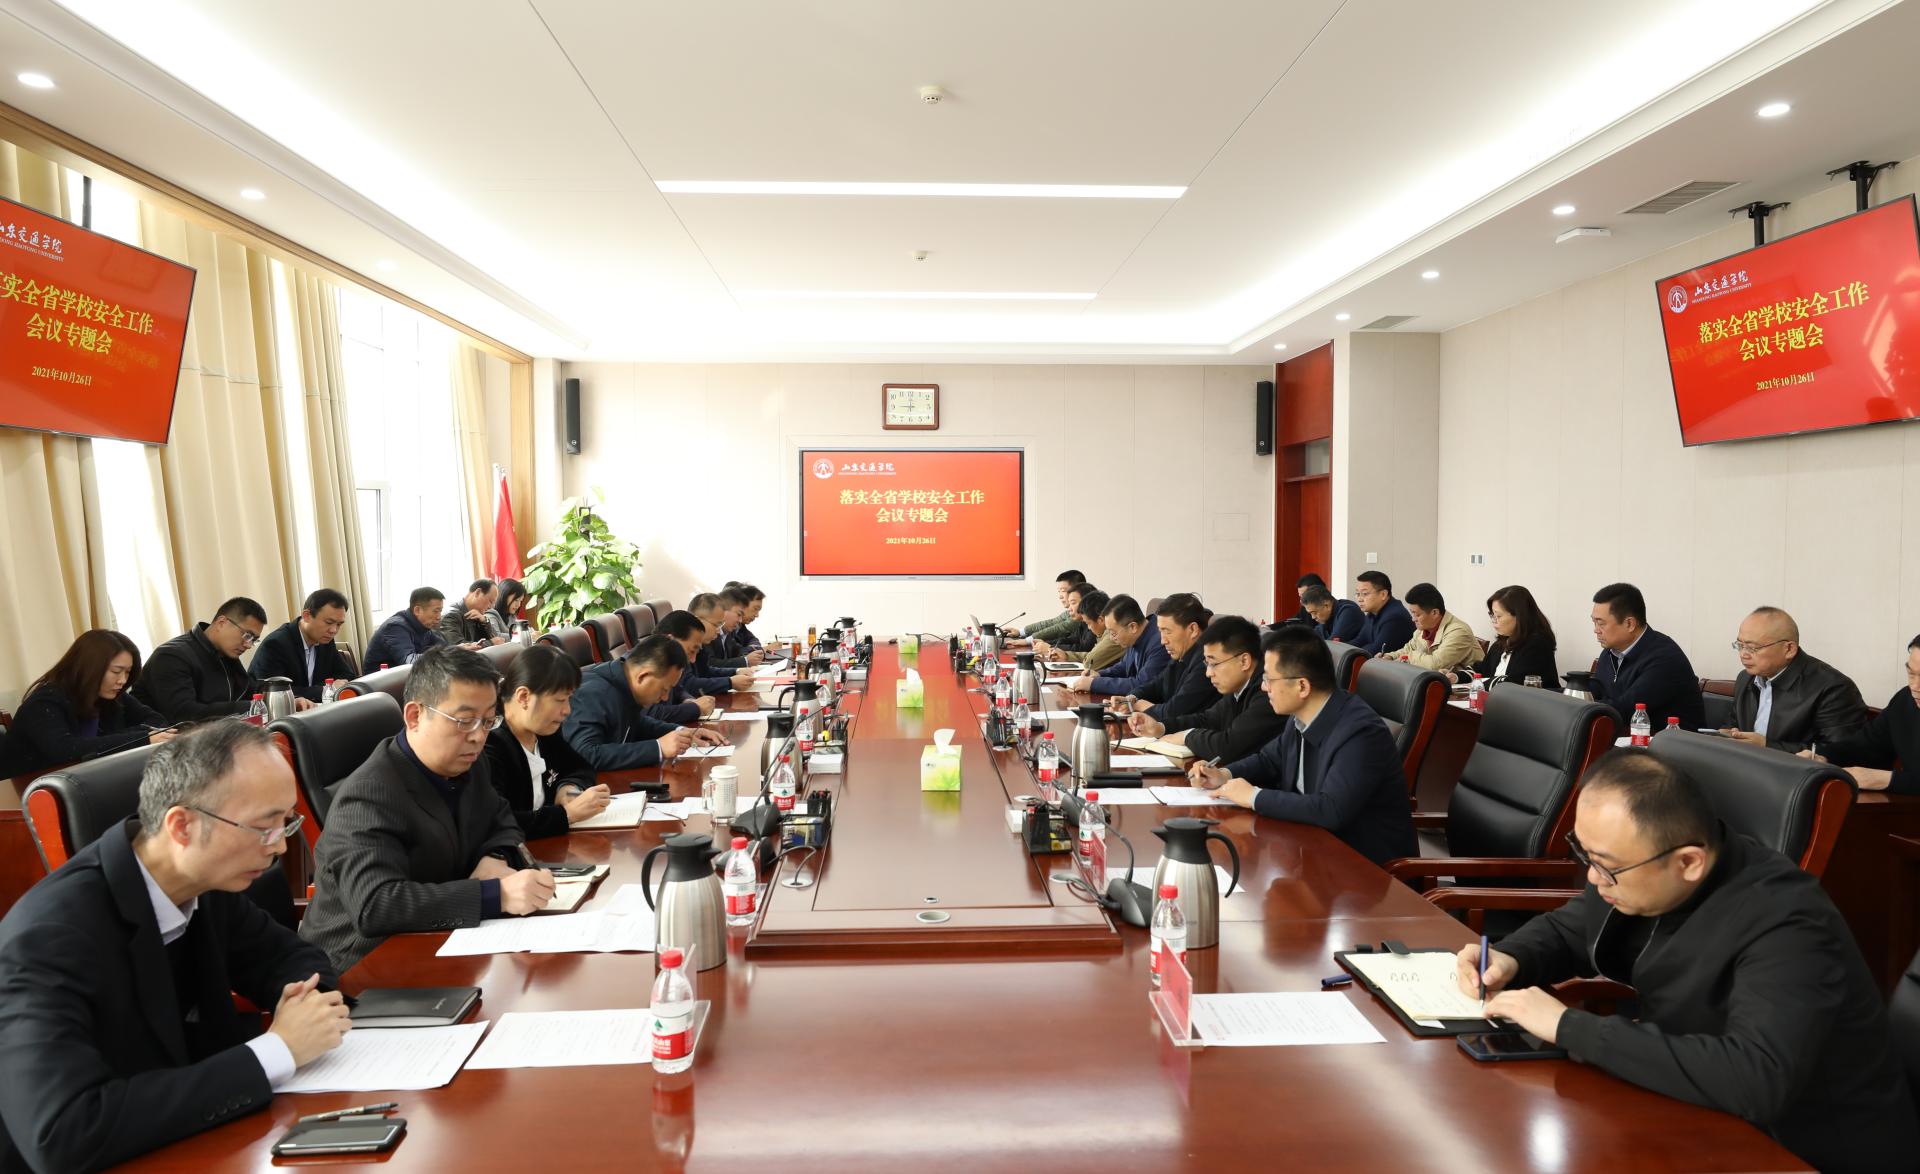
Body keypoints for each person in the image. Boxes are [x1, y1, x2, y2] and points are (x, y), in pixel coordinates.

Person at [1456, 750, 1918, 1173]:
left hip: (1807, 1151)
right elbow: (1571, 929)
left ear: (1689, 862)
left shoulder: (1788, 921)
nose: (1594, 879)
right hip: (1700, 1114)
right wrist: (1510, 957)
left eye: (1606, 865)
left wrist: (1568, 1026)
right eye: (1585, 855)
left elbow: (1756, 1079)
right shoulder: (1644, 871)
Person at [0, 722, 350, 1173]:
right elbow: (63, 1132)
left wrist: (307, 1006)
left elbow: (290, 957)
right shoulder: (49, 938)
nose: (281, 846)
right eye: (264, 827)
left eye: (286, 822)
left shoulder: (203, 882)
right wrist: (279, 1049)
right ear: (182, 826)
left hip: (198, 1141)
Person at [300, 646, 555, 973]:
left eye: (488, 721)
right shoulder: (369, 794)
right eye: (465, 721)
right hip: (362, 967)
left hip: (444, 942)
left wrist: (495, 856)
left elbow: (501, 818)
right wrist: (495, 895)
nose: (479, 737)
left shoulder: (469, 763)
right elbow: (376, 905)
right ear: (415, 716)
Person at [1186, 626, 1415, 866]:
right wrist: (1224, 774)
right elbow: (1268, 760)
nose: (1263, 687)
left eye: (1268, 679)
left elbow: (1331, 810)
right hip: (1309, 849)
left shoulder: (1361, 733)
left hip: (1364, 869)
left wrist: (1254, 796)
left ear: (1302, 686)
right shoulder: (1302, 716)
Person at [0, 630, 175, 780]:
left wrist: (127, 738)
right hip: (32, 788)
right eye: (116, 671)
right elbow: (66, 750)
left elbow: (157, 721)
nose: (122, 680)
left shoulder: (110, 694)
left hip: (84, 779)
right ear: (89, 667)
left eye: (127, 672)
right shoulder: (44, 702)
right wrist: (142, 738)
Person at [481, 644, 612, 839]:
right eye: (560, 700)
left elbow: (580, 767)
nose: (567, 710)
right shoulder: (489, 744)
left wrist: (568, 788)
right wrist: (567, 815)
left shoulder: (542, 729)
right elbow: (496, 822)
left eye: (568, 699)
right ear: (524, 696)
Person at [1127, 616, 1285, 763]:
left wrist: (1187, 736)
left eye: (1214, 664)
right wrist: (1160, 727)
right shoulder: (1238, 686)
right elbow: (1208, 720)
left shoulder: (1269, 692)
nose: (1208, 673)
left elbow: (1228, 747)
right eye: (1207, 664)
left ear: (1244, 661)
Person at [560, 635, 723, 771]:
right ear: (643, 676)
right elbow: (586, 754)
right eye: (664, 689)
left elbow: (637, 723)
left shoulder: (622, 682)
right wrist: (658, 747)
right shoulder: (592, 693)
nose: (665, 697)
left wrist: (682, 733)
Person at [1719, 607, 1869, 752]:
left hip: (1793, 770)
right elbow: (1733, 725)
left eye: (1753, 648)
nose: (1743, 654)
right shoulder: (1746, 678)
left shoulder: (1834, 688)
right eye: (1740, 645)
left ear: (1789, 649)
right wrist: (1728, 735)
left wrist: (1767, 746)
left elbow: (1840, 753)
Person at [135, 597, 309, 722]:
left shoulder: (225, 653)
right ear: (221, 623)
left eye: (254, 640)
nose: (248, 645)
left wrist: (287, 699)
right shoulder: (171, 656)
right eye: (247, 635)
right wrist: (255, 706)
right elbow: (184, 714)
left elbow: (250, 688)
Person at [1804, 633, 1920, 793]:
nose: (1915, 686)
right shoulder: (1905, 700)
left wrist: (1888, 780)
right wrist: (1822, 756)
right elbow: (1866, 746)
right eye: (1911, 674)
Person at [1589, 582, 1703, 731]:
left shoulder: (1665, 658)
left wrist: (1583, 705)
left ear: (1629, 624)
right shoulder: (1609, 653)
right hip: (1629, 738)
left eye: (1601, 624)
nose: (1596, 630)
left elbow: (1625, 710)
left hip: (1675, 742)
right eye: (1594, 622)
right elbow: (1595, 693)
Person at [249, 588, 357, 702]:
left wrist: (325, 687)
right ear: (307, 616)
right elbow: (271, 693)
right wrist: (326, 689)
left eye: (339, 624)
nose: (334, 630)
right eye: (329, 622)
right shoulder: (276, 644)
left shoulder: (325, 640)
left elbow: (347, 675)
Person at [1128, 594, 1216, 724]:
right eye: (1160, 631)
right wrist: (1131, 698)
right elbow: (1156, 685)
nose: (1163, 641)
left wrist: (1141, 706)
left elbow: (1174, 712)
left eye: (1167, 631)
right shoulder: (1182, 653)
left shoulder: (1207, 663)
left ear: (1193, 629)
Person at [1070, 595, 1169, 697]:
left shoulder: (1160, 643)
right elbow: (1124, 666)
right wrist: (1099, 674)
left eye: (1113, 633)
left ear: (1132, 627)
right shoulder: (1138, 634)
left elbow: (1142, 685)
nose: (1111, 638)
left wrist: (1094, 684)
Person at [1472, 585, 1559, 688]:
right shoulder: (1502, 642)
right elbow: (1481, 670)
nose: (1493, 621)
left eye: (1498, 616)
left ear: (1519, 616)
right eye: (1492, 615)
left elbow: (1513, 683)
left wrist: (1478, 684)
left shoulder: (1537, 644)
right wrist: (1457, 677)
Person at [1384, 583, 1478, 677]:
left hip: (1468, 683)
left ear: (1434, 613)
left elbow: (1435, 664)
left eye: (1417, 614)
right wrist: (1390, 657)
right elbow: (1408, 649)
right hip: (1436, 680)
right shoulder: (1422, 629)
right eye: (1412, 613)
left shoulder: (1459, 631)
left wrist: (1408, 658)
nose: (1413, 619)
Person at [650, 610, 722, 724]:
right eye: (692, 651)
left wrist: (688, 700)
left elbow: (678, 689)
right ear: (671, 640)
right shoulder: (647, 665)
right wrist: (695, 708)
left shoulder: (667, 661)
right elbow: (652, 714)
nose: (693, 660)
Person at [363, 587, 451, 669]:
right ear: (417, 610)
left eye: (440, 611)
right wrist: (445, 655)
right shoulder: (395, 627)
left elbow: (445, 647)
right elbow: (410, 662)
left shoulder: (424, 626)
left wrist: (456, 650)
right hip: (381, 678)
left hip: (408, 676)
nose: (439, 617)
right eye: (436, 611)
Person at [1038, 589, 1121, 673]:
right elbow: (1090, 655)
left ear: (1101, 620)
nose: (1089, 628)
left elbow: (1090, 662)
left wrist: (1049, 647)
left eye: (1088, 623)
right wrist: (1066, 655)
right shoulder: (1102, 632)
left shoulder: (1112, 635)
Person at [687, 593, 760, 682]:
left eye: (720, 624)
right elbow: (690, 684)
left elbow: (706, 671)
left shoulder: (722, 635)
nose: (718, 631)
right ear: (698, 622)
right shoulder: (682, 646)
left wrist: (736, 671)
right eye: (716, 625)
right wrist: (730, 682)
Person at [1012, 570, 1086, 642]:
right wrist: (1021, 632)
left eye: (1063, 591)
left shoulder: (1083, 613)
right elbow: (1052, 623)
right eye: (1059, 591)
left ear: (1078, 590)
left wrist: (1028, 640)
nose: (1060, 596)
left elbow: (1059, 629)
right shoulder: (1070, 611)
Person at [1353, 570, 1414, 656]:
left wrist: (1350, 653)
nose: (1359, 599)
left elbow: (1376, 651)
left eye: (1365, 593)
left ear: (1383, 594)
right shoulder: (1372, 613)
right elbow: (1360, 640)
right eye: (1357, 594)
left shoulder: (1395, 617)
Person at [1033, 582, 1100, 658]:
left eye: (1073, 603)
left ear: (1086, 603)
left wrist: (1050, 647)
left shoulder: (1095, 622)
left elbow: (1084, 648)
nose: (1069, 609)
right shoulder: (1083, 622)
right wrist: (1046, 643)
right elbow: (1071, 639)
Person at [439, 580, 506, 647]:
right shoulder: (451, 616)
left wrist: (485, 621)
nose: (491, 607)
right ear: (478, 592)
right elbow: (456, 646)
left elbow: (497, 640)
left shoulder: (479, 616)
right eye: (490, 601)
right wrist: (491, 643)